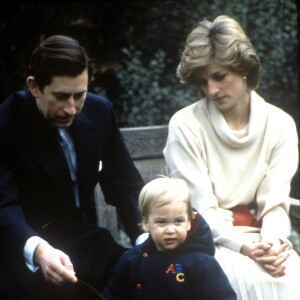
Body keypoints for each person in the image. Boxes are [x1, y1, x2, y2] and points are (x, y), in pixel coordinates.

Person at [163, 15, 300, 300]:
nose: (211, 90)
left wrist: (273, 244)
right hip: (206, 240)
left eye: (219, 76)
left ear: (244, 69)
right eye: (202, 81)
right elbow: (200, 208)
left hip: (262, 238)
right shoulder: (185, 125)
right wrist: (244, 248)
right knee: (237, 283)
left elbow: (275, 204)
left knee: (290, 280)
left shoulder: (280, 124)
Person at [0, 35, 144, 299]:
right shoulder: (6, 121)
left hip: (83, 240)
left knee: (150, 279)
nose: (72, 109)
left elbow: (126, 187)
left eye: (80, 95)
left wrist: (146, 239)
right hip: (21, 248)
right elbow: (4, 205)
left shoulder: (100, 112)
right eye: (61, 96)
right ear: (34, 86)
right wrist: (39, 251)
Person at [100, 177, 237, 300]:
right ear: (146, 223)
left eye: (178, 221)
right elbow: (113, 294)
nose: (170, 230)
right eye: (161, 222)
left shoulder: (201, 263)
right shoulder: (132, 259)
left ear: (189, 222)